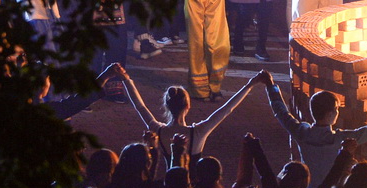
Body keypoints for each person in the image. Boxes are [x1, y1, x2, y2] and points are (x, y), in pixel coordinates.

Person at [263, 78, 367, 188]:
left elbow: (281, 112)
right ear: (331, 114)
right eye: (337, 109)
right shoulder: (341, 139)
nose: (337, 112)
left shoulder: (301, 133)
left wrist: (271, 85)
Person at [105, 64, 269, 164]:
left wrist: (126, 79)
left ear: (167, 106)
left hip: (170, 182)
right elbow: (227, 108)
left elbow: (139, 105)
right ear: (188, 106)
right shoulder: (197, 132)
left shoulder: (158, 131)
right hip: (196, 185)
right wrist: (250, 84)